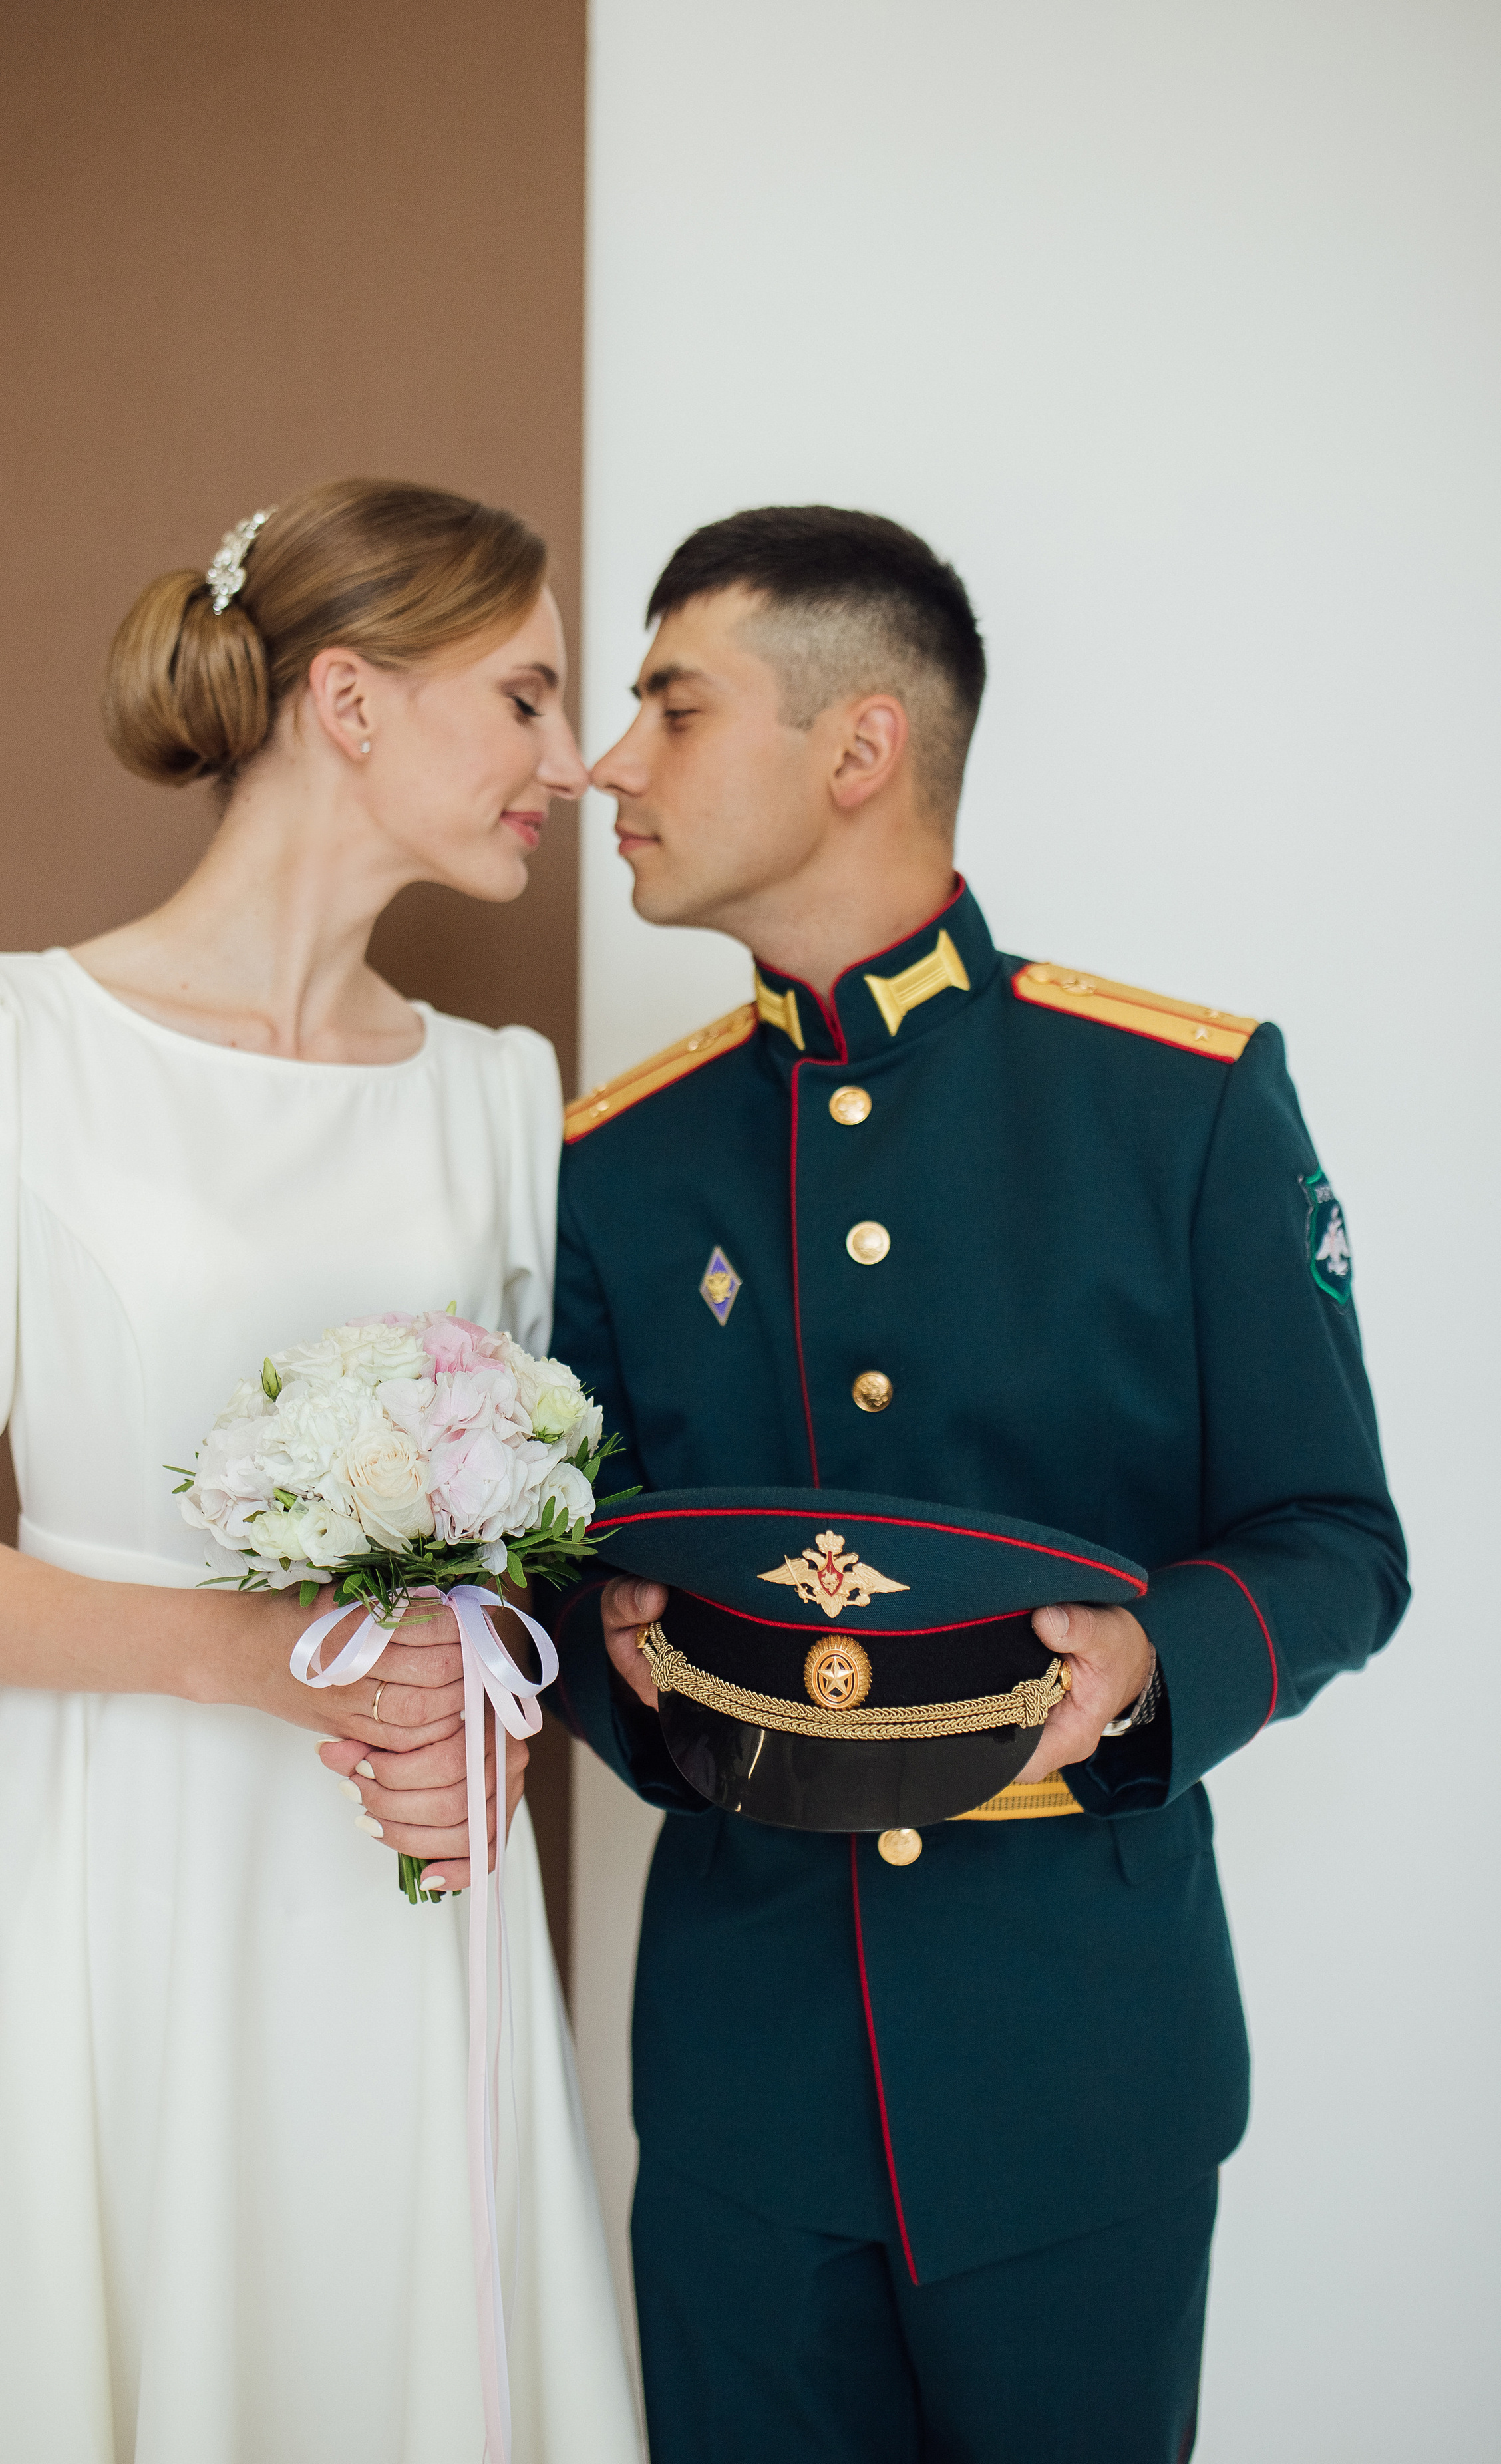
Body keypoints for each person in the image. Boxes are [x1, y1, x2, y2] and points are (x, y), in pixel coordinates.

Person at [548, 505, 1408, 2463]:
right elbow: (571, 1560)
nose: (610, 763)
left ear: (861, 746)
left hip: (1078, 2080)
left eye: (674, 707)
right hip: (745, 2094)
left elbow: (1338, 1539)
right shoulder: (621, 1159)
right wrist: (616, 1655)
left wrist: (1158, 1661)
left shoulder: (1180, 1102)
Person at [0, 479, 640, 2462]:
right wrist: (260, 1661)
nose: (570, 763)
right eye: (525, 699)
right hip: (99, 1857)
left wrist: (476, 1708)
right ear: (348, 700)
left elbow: (531, 1542)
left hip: (395, 1886)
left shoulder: (498, 1100)